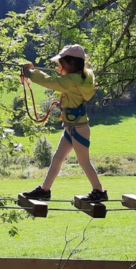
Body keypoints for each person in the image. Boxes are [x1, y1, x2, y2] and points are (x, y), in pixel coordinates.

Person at [20, 44, 108, 202]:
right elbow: (71, 94)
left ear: (72, 64)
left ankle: (99, 191)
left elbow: (50, 81)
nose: (59, 66)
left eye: (62, 63)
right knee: (58, 158)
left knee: (83, 162)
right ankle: (44, 189)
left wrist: (30, 73)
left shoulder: (70, 81)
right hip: (72, 127)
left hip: (78, 129)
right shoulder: (82, 77)